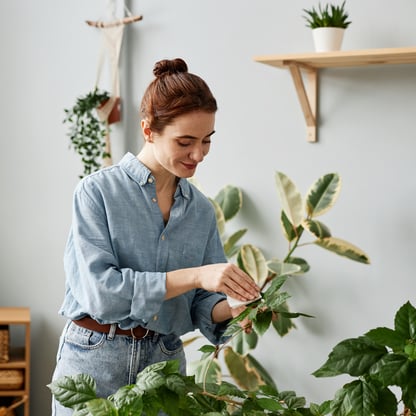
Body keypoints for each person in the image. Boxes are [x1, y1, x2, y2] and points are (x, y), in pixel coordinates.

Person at [51, 58, 260, 415]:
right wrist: (195, 275)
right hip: (94, 360)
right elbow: (102, 293)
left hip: (162, 365)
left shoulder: (201, 211)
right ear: (149, 130)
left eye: (207, 141)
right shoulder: (96, 193)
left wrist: (237, 306)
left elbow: (200, 305)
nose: (198, 154)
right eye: (185, 142)